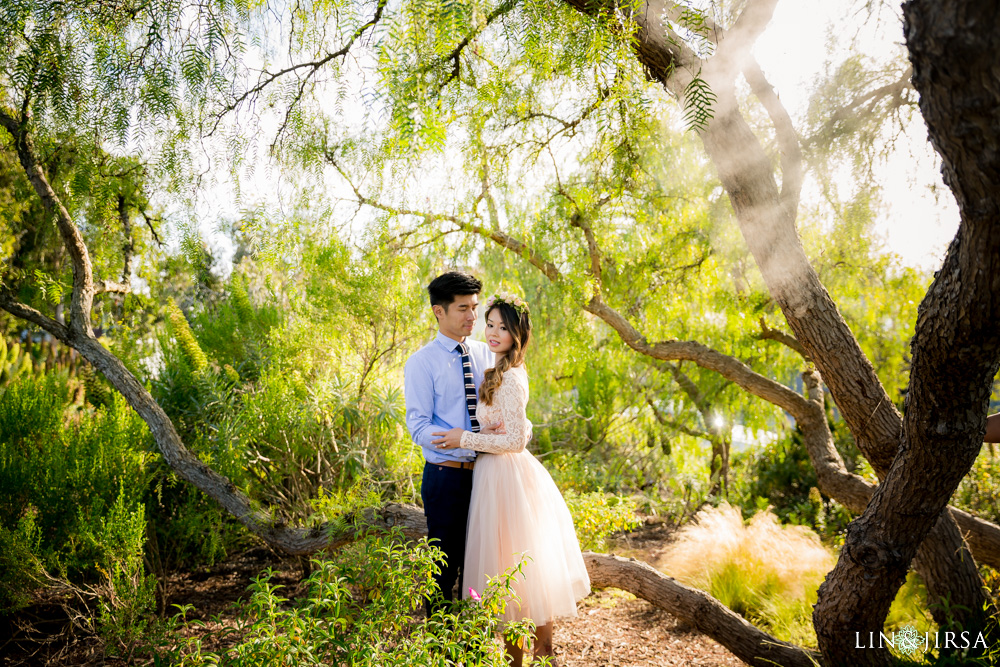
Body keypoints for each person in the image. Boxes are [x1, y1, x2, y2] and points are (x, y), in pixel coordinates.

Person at [432, 293, 590, 667]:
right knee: (508, 578)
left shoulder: (511, 377)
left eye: (503, 327)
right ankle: (520, 660)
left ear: (518, 333)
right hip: (493, 477)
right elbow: (522, 427)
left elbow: (516, 441)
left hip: (507, 480)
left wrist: (463, 439)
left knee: (517, 575)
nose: (493, 332)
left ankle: (535, 658)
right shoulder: (500, 370)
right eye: (490, 324)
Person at [404, 271, 495, 613]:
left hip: (488, 474)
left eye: (474, 307)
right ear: (438, 312)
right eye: (463, 309)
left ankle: (474, 649)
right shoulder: (421, 363)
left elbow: (506, 407)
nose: (473, 316)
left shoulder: (488, 356)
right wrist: (457, 441)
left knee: (480, 567)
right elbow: (418, 425)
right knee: (442, 571)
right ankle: (441, 652)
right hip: (446, 478)